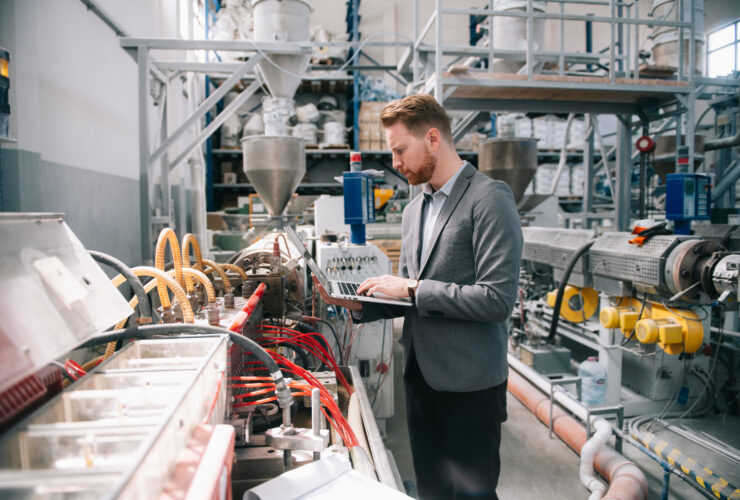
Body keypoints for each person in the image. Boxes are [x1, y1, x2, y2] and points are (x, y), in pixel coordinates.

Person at [314, 94, 523, 500]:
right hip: (420, 378)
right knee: (433, 492)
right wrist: (362, 304)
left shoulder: (489, 198)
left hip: (469, 386)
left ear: (432, 138)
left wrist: (409, 286)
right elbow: (414, 298)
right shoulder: (415, 210)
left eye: (399, 150)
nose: (395, 162)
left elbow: (496, 299)